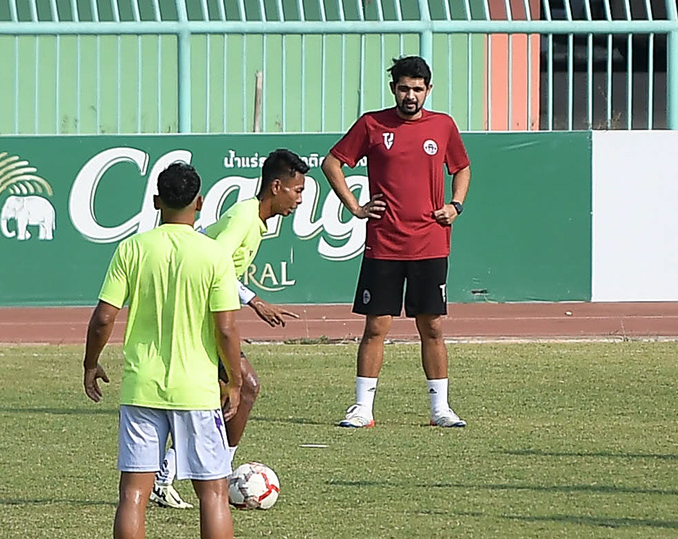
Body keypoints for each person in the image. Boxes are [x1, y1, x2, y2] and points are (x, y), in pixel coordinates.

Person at [81, 161, 268, 539]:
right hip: (197, 390)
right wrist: (233, 379)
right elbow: (226, 329)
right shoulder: (212, 255)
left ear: (155, 202)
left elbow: (104, 317)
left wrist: (90, 363)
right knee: (214, 494)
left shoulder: (133, 248)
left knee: (133, 494)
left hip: (142, 387)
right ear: (200, 203)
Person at [155, 150, 310, 509]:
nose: (300, 200)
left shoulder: (253, 220)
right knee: (239, 389)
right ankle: (186, 475)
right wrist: (255, 300)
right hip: (198, 316)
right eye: (297, 190)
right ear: (276, 187)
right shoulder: (243, 217)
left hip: (202, 312)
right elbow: (213, 264)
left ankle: (197, 473)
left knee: (231, 393)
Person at [324, 57, 472, 430]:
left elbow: (462, 168)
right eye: (404, 88)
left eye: (418, 89)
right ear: (394, 89)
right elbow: (332, 163)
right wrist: (356, 207)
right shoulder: (372, 124)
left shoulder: (443, 125)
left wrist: (455, 205)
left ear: (428, 90)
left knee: (432, 326)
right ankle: (362, 408)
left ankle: (440, 409)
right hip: (384, 243)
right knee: (376, 326)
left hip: (430, 243)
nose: (410, 96)